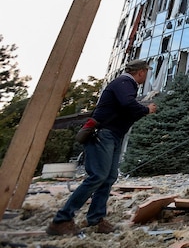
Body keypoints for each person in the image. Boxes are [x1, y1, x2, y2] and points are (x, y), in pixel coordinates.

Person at [46, 59, 157, 236]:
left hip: (113, 135)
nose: (146, 75)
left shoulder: (126, 84)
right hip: (104, 135)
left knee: (108, 177)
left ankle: (96, 219)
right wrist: (146, 110)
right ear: (141, 72)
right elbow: (128, 105)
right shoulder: (124, 82)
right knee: (98, 176)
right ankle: (62, 220)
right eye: (146, 72)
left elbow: (125, 110)